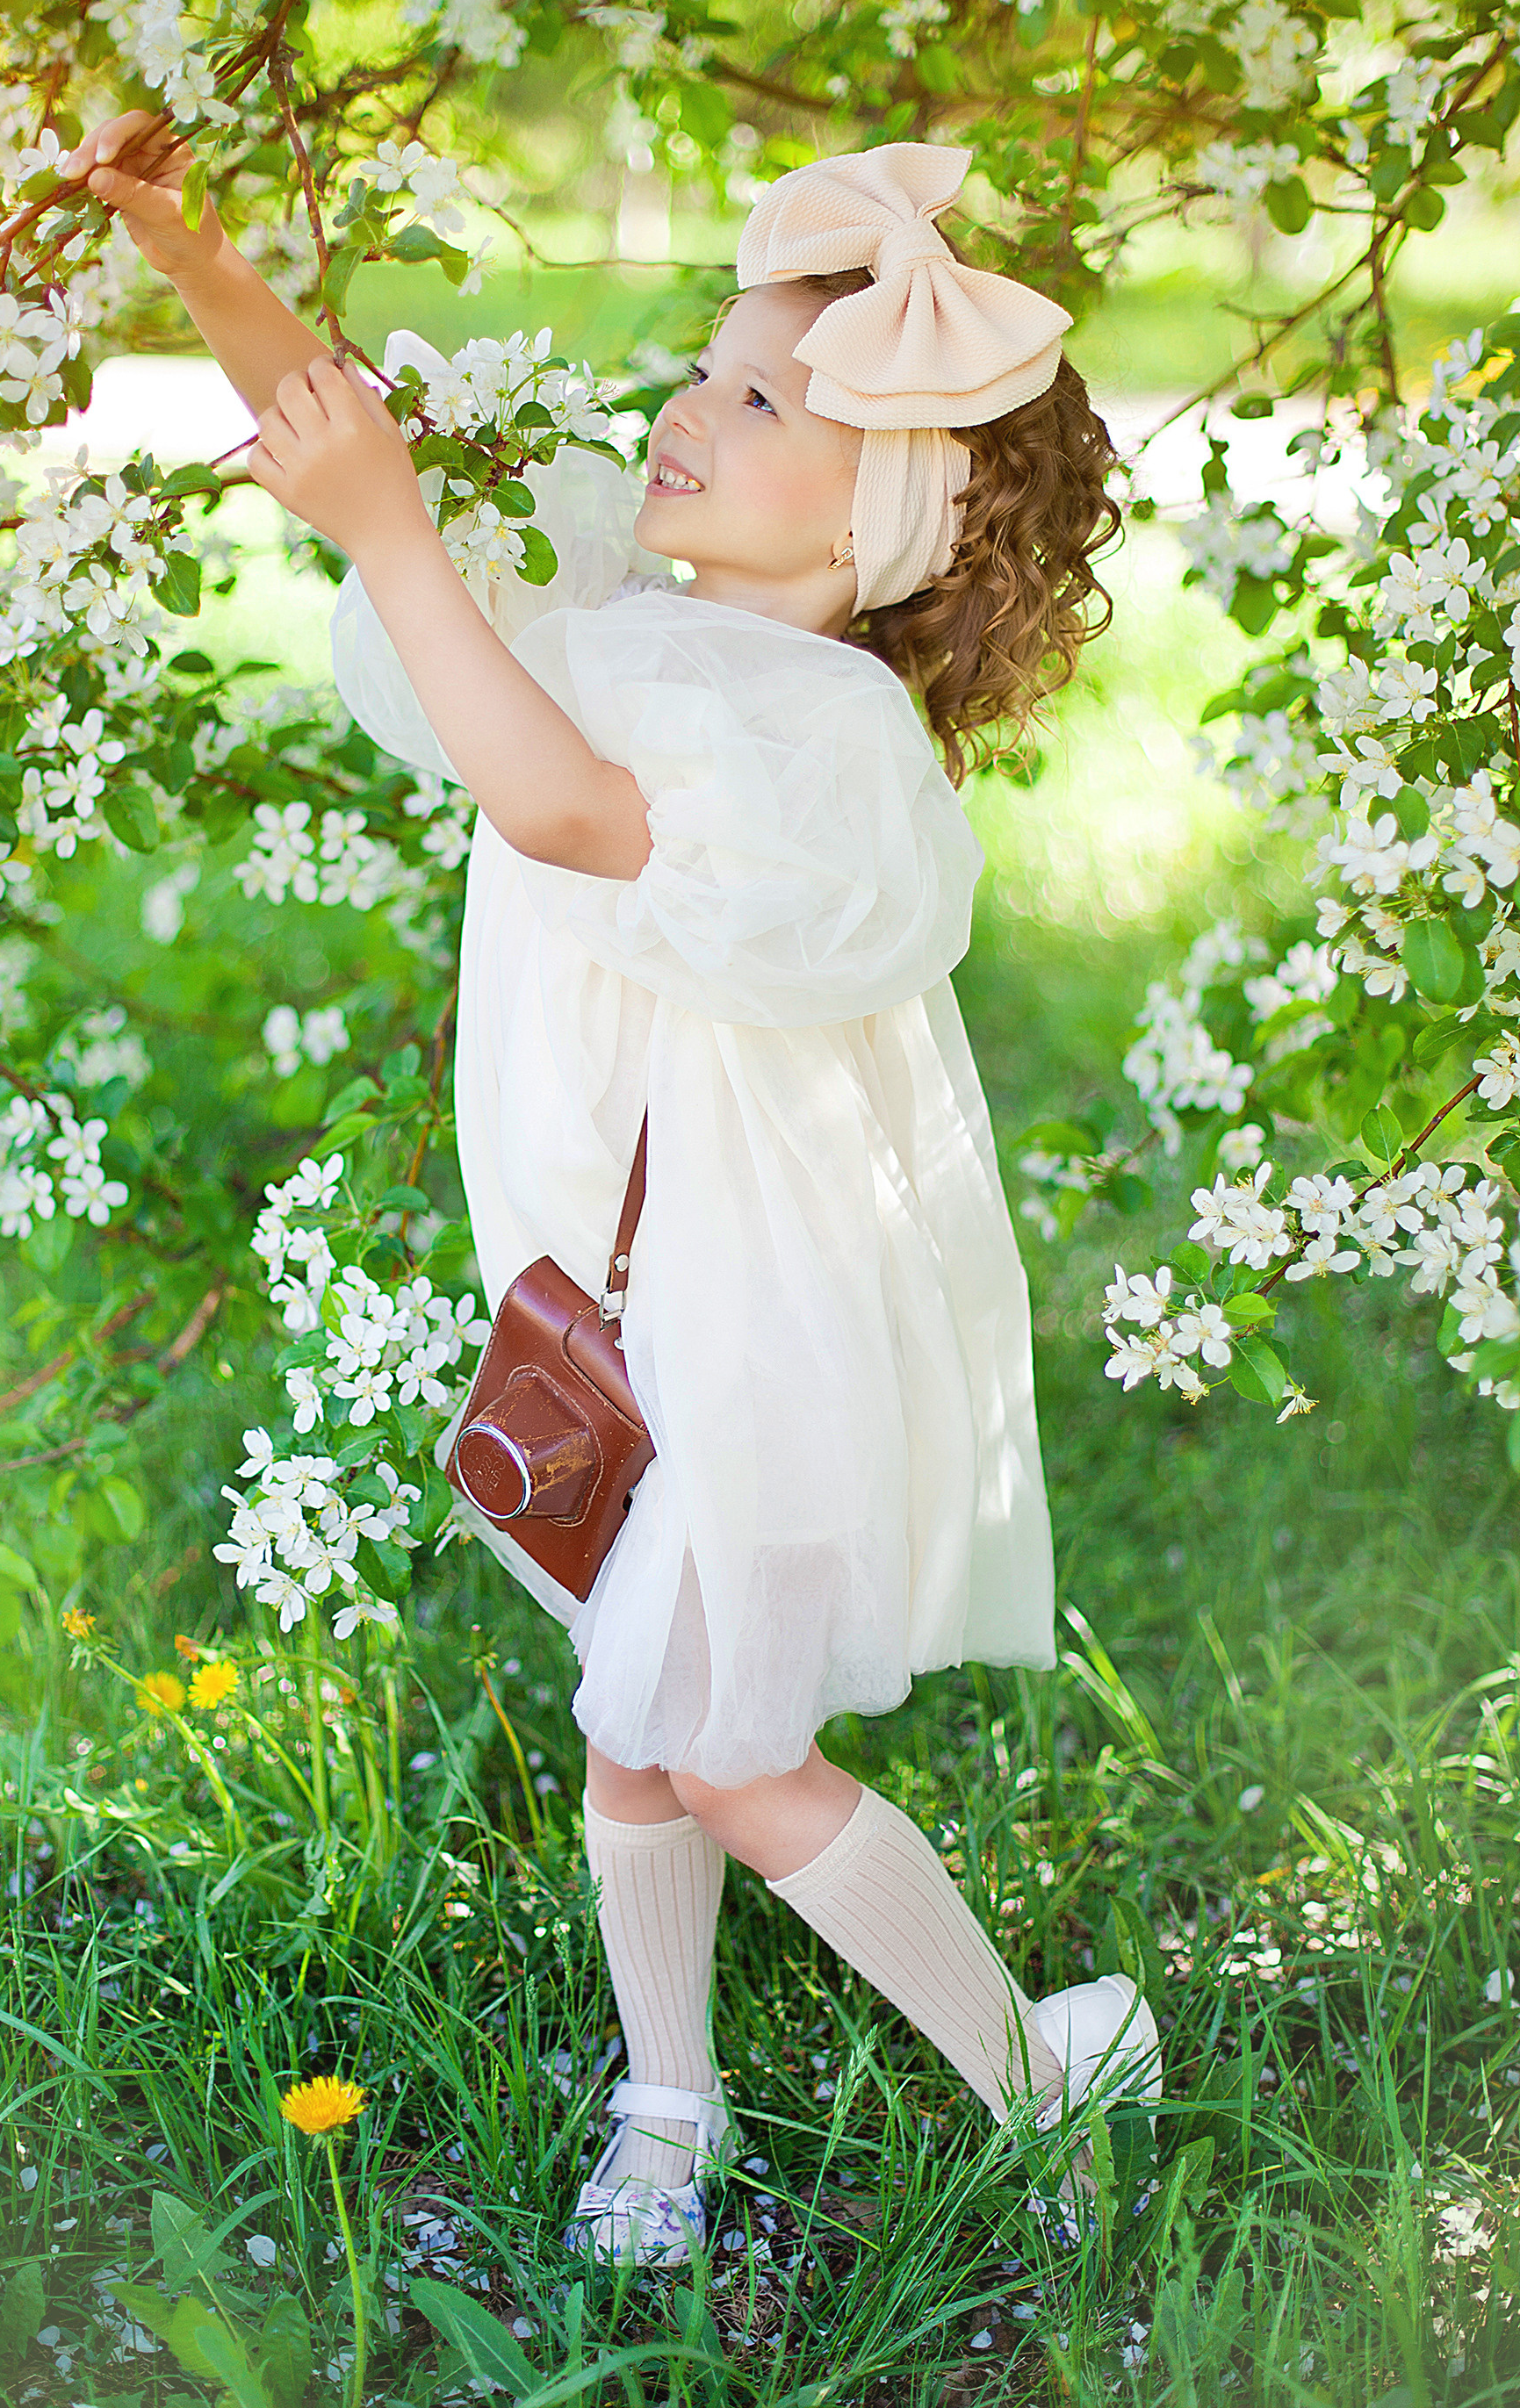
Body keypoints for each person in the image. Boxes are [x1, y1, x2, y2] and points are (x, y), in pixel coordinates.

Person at [65, 114, 1163, 2265]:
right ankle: (669, 2102)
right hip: (630, 1294)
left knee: (730, 1752)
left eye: (768, 402)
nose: (693, 402)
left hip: (752, 1320)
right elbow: (353, 455)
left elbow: (565, 816)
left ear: (885, 529)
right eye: (713, 361)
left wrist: (384, 536)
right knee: (636, 1734)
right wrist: (186, 257)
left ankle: (1041, 2075)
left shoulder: (826, 729)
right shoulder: (650, 636)